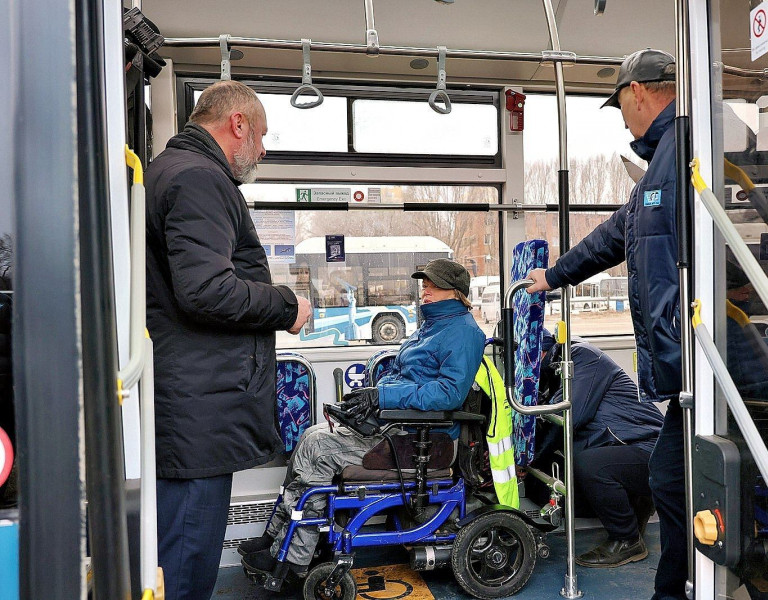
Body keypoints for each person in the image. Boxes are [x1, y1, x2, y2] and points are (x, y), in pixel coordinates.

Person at [525, 49, 687, 599]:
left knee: (672, 482)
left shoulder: (686, 152)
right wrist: (552, 277)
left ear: (637, 92)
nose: (621, 116)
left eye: (620, 102)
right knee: (673, 484)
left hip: (697, 356)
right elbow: (609, 240)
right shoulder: (655, 172)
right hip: (677, 368)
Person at [145, 80, 312, 600]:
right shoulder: (200, 180)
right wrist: (287, 305)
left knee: (176, 551)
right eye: (260, 136)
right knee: (189, 560)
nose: (261, 150)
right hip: (199, 409)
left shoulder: (168, 171)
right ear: (237, 124)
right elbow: (205, 290)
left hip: (190, 400)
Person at [239, 258, 486, 579]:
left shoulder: (464, 333)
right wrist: (369, 400)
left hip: (428, 442)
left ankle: (296, 558)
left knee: (321, 452)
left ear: (455, 293)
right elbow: (407, 379)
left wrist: (382, 398)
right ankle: (276, 536)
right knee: (310, 437)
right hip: (399, 427)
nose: (425, 290)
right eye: (425, 284)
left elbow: (448, 394)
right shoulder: (431, 326)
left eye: (433, 286)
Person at [527, 331, 663, 567]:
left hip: (648, 447)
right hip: (617, 448)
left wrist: (529, 457)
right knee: (540, 484)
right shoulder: (551, 376)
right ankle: (632, 504)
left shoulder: (582, 357)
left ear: (540, 352)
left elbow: (570, 416)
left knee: (590, 464)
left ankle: (627, 540)